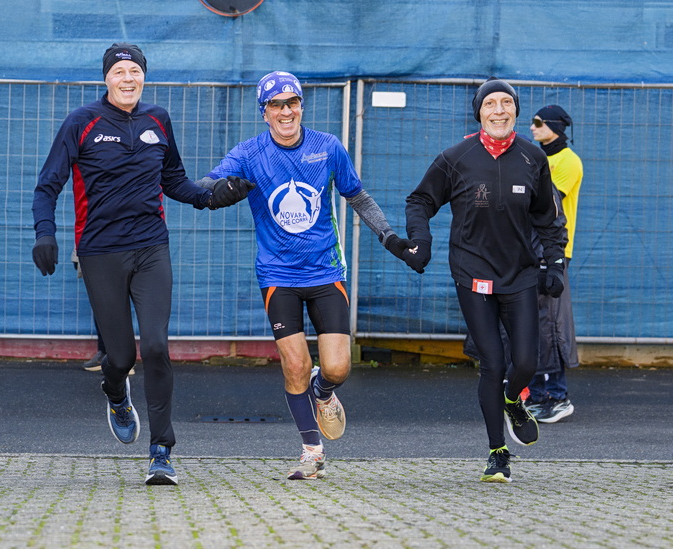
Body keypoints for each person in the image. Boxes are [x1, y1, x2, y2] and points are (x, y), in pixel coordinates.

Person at [32, 44, 253, 486]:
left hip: (152, 248)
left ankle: (161, 451)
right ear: (106, 78)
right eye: (119, 72)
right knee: (120, 357)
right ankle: (115, 392)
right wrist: (45, 234)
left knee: (155, 346)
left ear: (144, 77)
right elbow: (47, 186)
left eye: (135, 71)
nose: (128, 78)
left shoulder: (158, 119)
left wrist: (211, 197)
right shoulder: (81, 122)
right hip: (100, 251)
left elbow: (174, 180)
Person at [199, 71, 412, 481]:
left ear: (301, 106)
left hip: (325, 271)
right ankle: (312, 451)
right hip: (277, 275)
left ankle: (323, 391)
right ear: (264, 112)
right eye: (276, 105)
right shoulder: (250, 153)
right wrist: (217, 191)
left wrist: (389, 236)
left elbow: (357, 197)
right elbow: (209, 182)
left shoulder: (327, 146)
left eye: (292, 102)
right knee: (295, 363)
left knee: (337, 368)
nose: (285, 111)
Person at [399, 78, 567, 483]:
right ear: (479, 112)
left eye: (506, 102)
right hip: (472, 272)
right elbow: (419, 200)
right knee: (492, 362)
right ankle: (498, 453)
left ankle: (513, 401)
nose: (499, 110)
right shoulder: (456, 158)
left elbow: (548, 218)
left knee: (525, 362)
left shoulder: (532, 158)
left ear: (516, 111)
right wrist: (421, 240)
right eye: (490, 103)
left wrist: (555, 263)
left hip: (520, 273)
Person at [526, 104, 583, 424]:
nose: (532, 127)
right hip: (529, 250)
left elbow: (544, 204)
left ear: (555, 127)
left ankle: (558, 396)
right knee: (532, 324)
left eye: (538, 122)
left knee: (551, 324)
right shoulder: (537, 157)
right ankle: (537, 395)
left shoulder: (568, 161)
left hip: (554, 250)